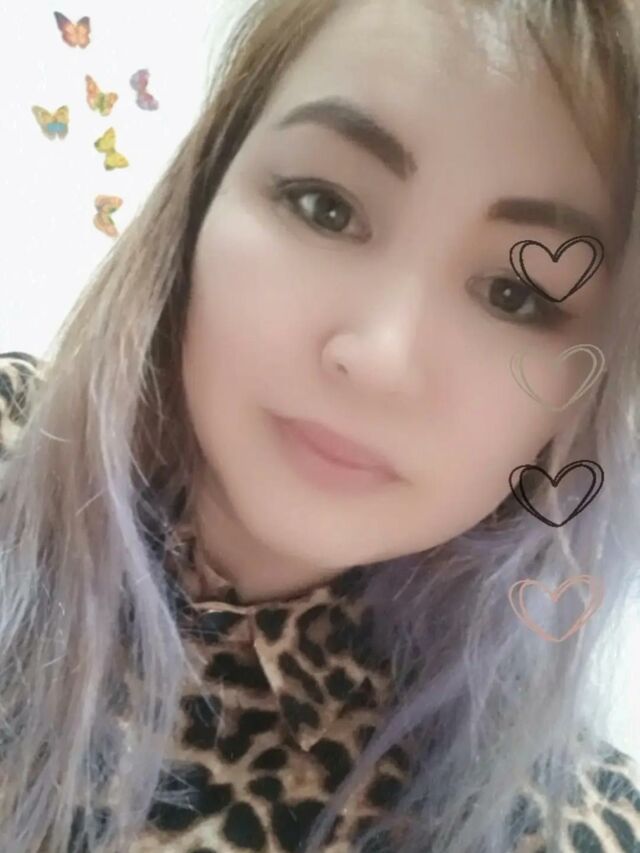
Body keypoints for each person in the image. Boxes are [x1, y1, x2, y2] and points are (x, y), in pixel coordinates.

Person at [1, 0, 640, 850]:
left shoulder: (558, 826)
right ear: (205, 191)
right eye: (325, 206)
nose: (377, 356)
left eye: (514, 295)